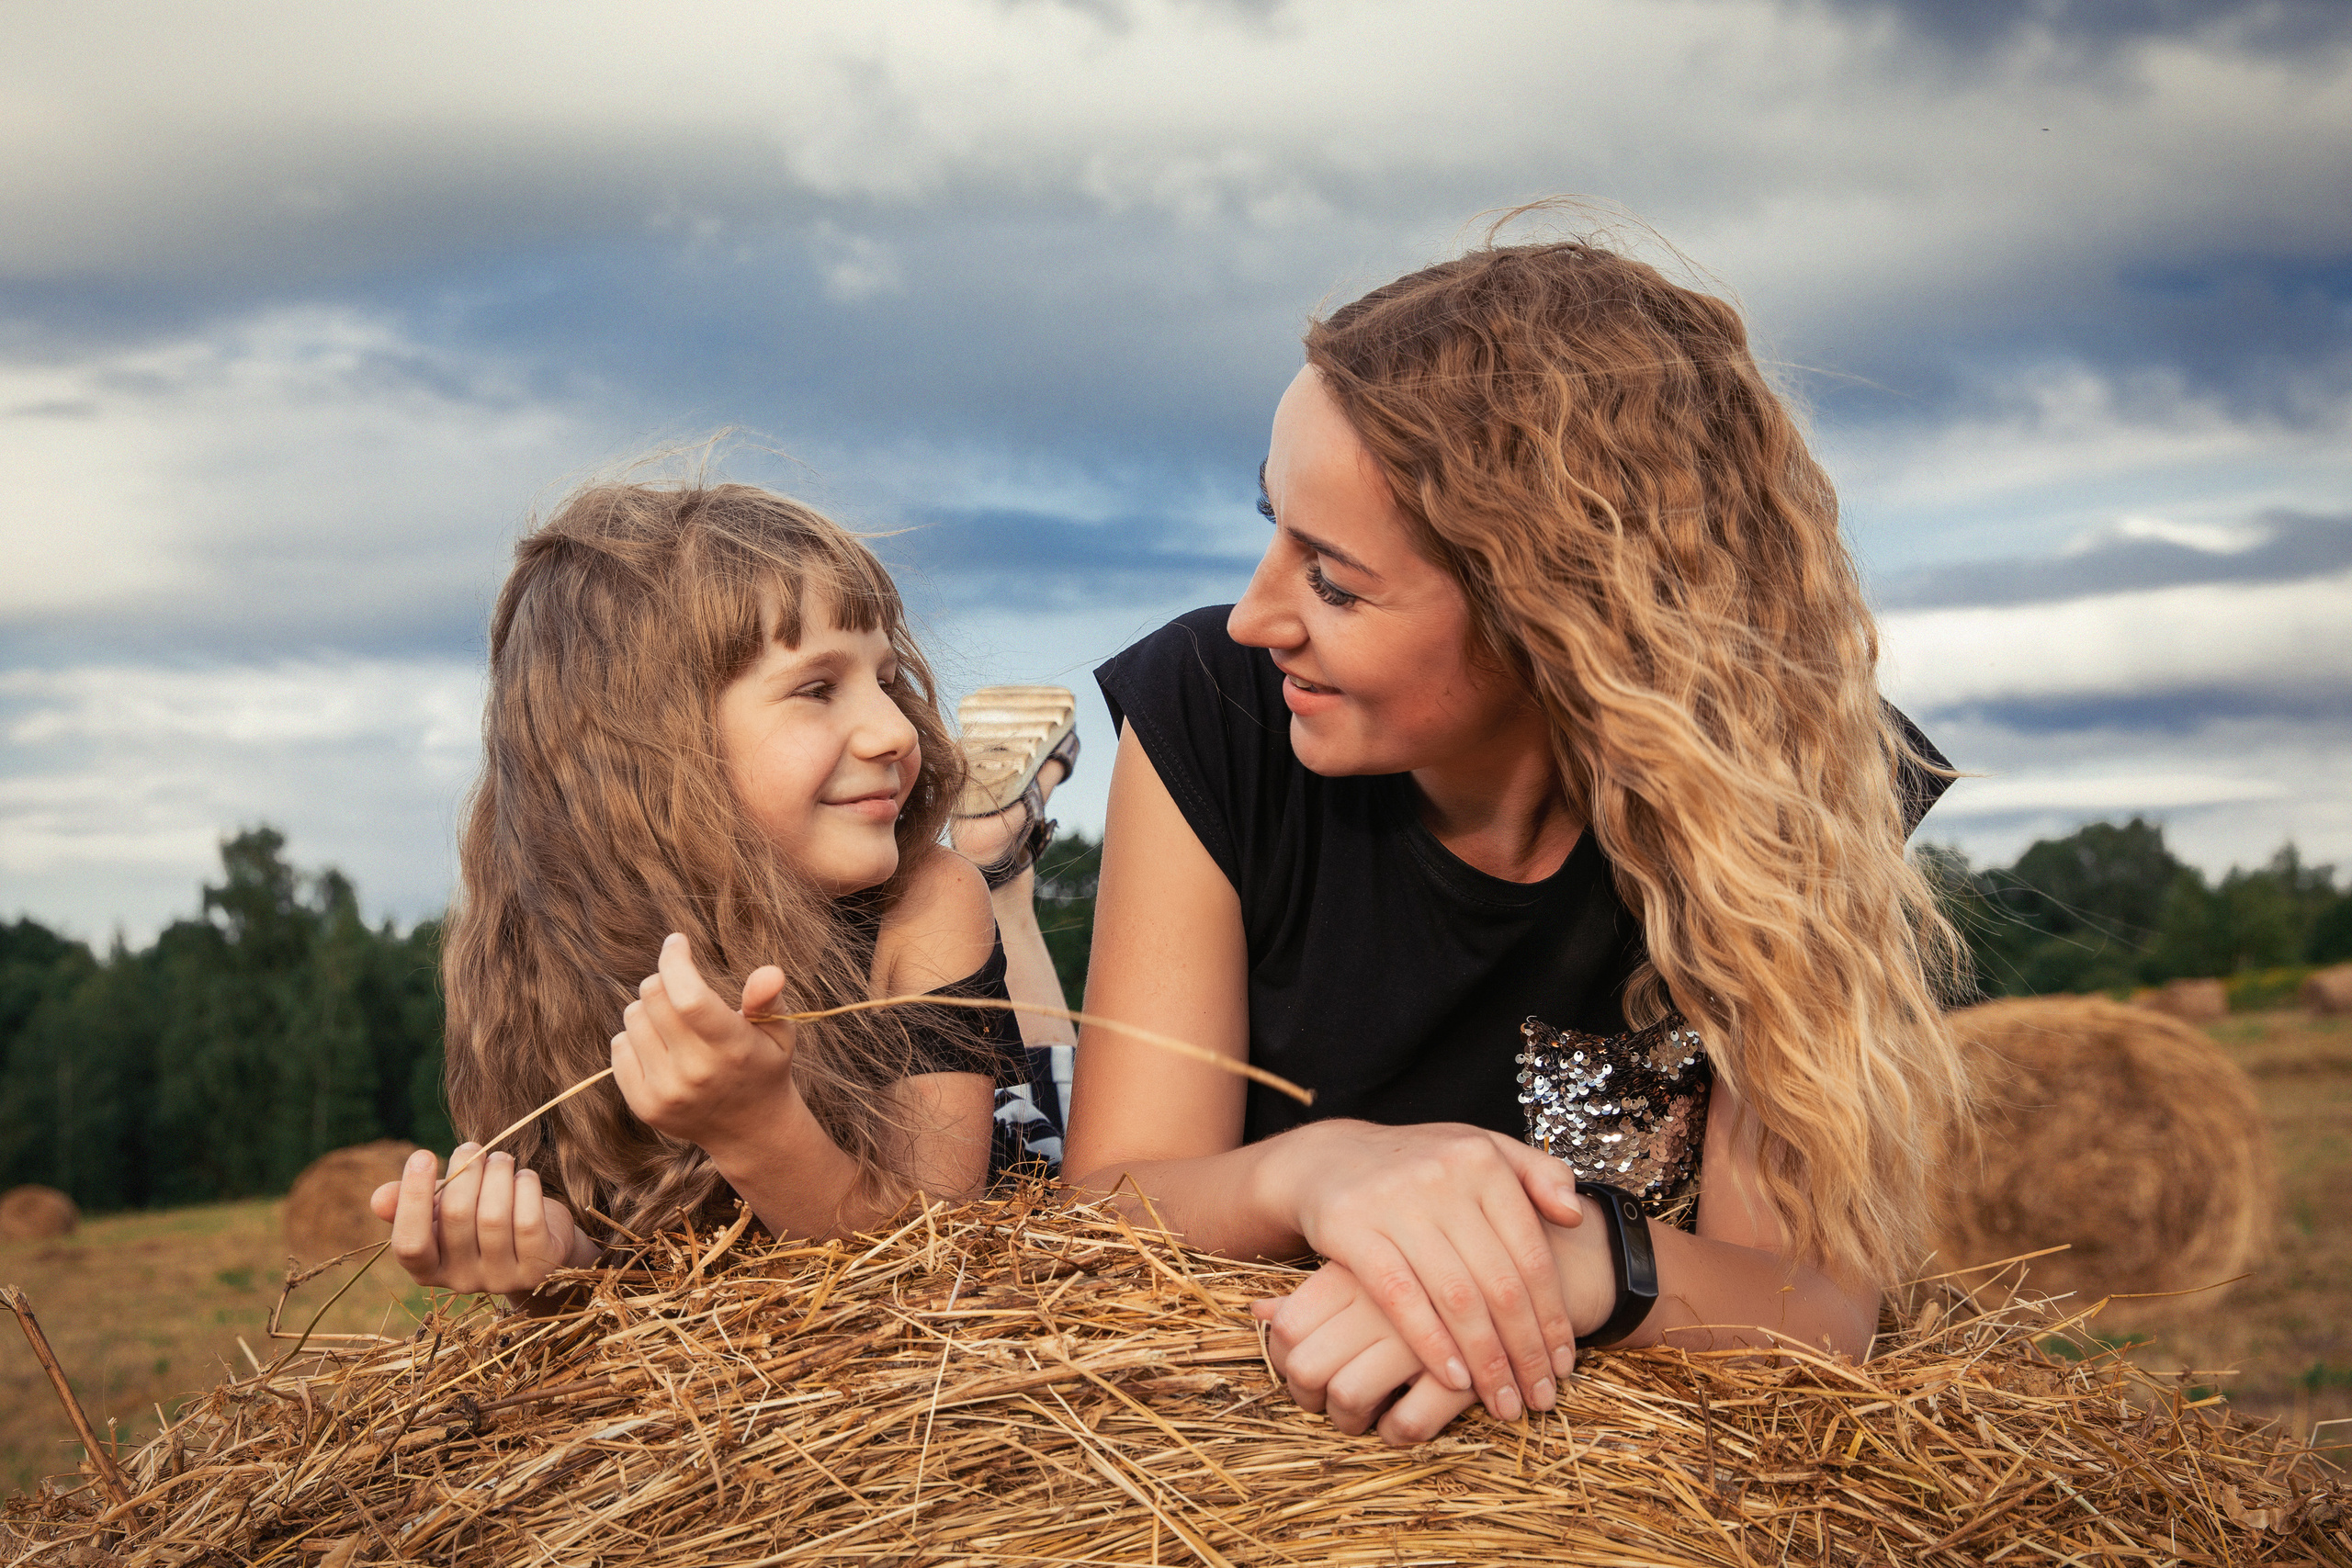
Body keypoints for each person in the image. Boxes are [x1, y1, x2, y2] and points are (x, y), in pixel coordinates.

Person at [1059, 218, 1972, 1445]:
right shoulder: (1213, 716)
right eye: (1269, 525)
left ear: (1554, 619)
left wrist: (1579, 1262)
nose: (1256, 615)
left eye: (1334, 579)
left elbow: (1816, 1307)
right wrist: (1316, 1169)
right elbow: (1109, 1206)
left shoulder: (1796, 785)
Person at [370, 479, 1055, 1299]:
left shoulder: (925, 900)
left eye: (888, 676)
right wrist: (550, 1269)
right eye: (817, 688)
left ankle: (1002, 857)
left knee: (1051, 1064)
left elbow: (930, 1264)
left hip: (1015, 1154)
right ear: (655, 746)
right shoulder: (536, 962)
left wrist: (760, 1131)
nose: (898, 729)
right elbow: (662, 1293)